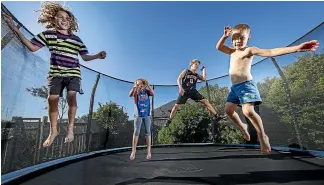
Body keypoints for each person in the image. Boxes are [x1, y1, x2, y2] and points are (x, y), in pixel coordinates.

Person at [2, 2, 107, 147]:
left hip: (73, 73)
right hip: (55, 73)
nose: (64, 20)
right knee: (52, 98)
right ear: (53, 20)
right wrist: (14, 29)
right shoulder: (48, 34)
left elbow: (84, 57)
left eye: (67, 18)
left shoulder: (77, 40)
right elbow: (32, 47)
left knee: (71, 95)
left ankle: (70, 129)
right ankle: (53, 131)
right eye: (60, 17)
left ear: (70, 22)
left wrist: (97, 56)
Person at [216, 24, 319, 154]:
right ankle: (243, 127)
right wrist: (224, 36)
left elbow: (271, 52)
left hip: (246, 86)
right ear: (231, 40)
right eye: (235, 38)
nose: (238, 41)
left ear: (248, 37)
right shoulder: (231, 52)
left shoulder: (249, 50)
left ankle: (262, 136)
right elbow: (219, 47)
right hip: (235, 88)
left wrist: (297, 48)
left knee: (247, 112)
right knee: (228, 110)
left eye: (241, 38)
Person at [166, 59, 227, 126]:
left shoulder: (196, 75)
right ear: (191, 65)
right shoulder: (186, 71)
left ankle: (216, 116)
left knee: (206, 101)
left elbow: (204, 79)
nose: (197, 66)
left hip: (193, 92)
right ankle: (169, 120)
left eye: (198, 65)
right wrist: (180, 87)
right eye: (196, 64)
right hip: (185, 92)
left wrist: (204, 70)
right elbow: (178, 79)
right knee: (176, 106)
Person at [129, 78, 154, 160]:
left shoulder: (147, 91)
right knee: (136, 131)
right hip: (138, 114)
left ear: (143, 84)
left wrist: (148, 85)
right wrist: (134, 87)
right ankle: (133, 151)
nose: (139, 85)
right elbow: (130, 94)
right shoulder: (136, 91)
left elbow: (153, 93)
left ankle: (149, 152)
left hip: (147, 114)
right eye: (137, 84)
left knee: (148, 132)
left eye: (140, 84)